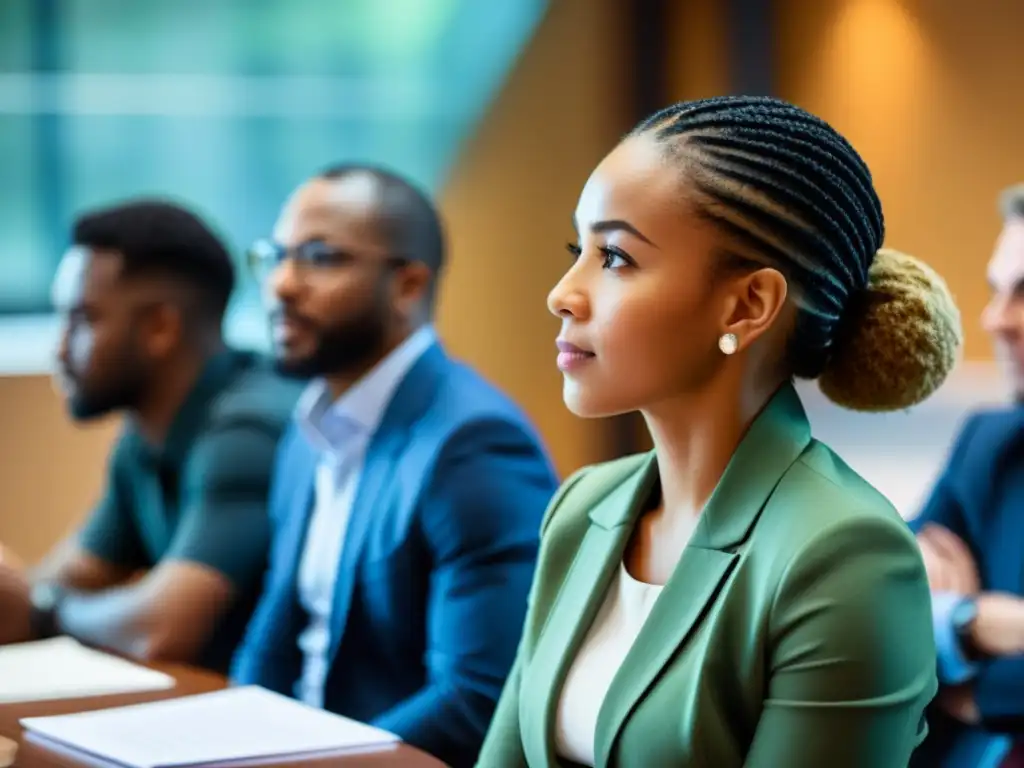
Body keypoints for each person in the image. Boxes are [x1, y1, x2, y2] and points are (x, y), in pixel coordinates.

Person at [476, 95, 963, 768]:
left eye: (614, 257)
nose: (563, 292)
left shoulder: (846, 557)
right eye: (576, 248)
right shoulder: (581, 508)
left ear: (747, 305)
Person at [231, 164, 559, 768]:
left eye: (319, 258)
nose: (280, 284)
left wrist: (303, 763)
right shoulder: (308, 429)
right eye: (274, 256)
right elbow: (273, 634)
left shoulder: (473, 443)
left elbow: (476, 698)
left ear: (408, 285)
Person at [0, 200, 299, 673]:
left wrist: (41, 610)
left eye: (83, 319)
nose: (58, 347)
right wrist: (30, 599)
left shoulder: (246, 432)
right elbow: (65, 581)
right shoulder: (145, 436)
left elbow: (159, 627)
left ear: (160, 327)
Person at [910, 184, 1024, 768]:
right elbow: (880, 585)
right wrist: (972, 621)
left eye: (1023, 293)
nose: (995, 319)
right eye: (996, 290)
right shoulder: (991, 439)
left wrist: (969, 690)